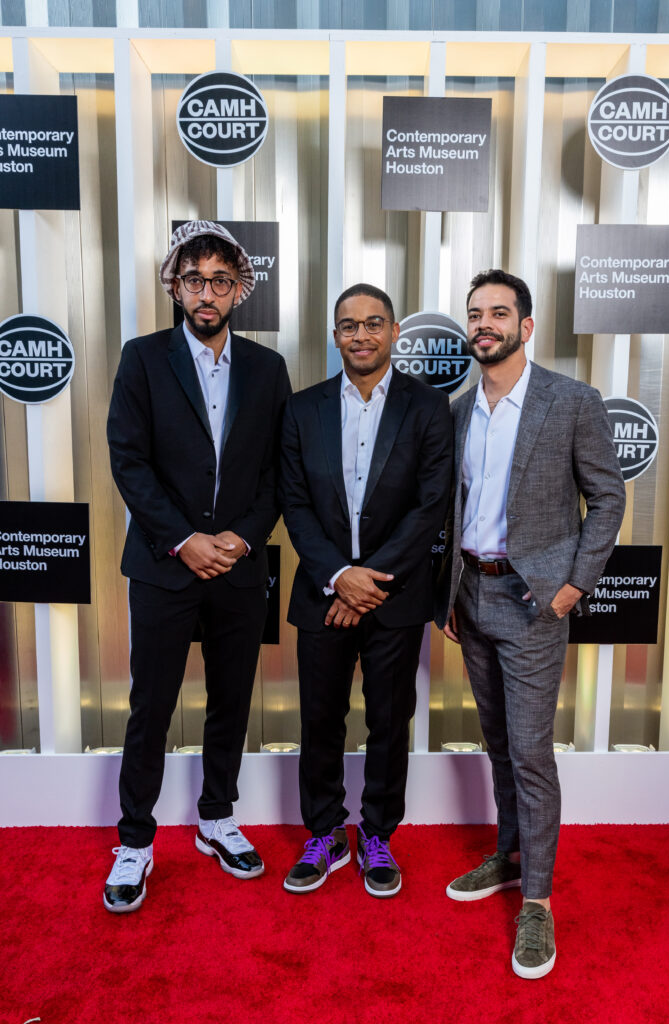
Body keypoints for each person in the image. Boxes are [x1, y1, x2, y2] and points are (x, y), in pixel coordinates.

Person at [437, 269, 625, 976]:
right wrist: (448, 595)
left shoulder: (570, 401)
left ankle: (538, 903)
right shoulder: (458, 410)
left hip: (533, 601)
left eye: (497, 313)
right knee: (498, 745)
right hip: (472, 597)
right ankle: (511, 856)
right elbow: (454, 510)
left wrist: (573, 587)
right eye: (474, 314)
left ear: (526, 326)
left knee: (530, 753)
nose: (483, 324)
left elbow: (607, 498)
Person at [104, 220, 291, 912]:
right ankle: (134, 840)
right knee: (150, 705)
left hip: (238, 566)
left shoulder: (268, 369)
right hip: (163, 565)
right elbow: (129, 460)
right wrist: (184, 538)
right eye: (193, 280)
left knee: (231, 699)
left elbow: (279, 470)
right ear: (175, 288)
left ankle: (217, 818)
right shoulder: (142, 359)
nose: (206, 293)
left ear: (239, 289)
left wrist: (242, 537)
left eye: (219, 281)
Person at [280, 283, 452, 898]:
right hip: (322, 593)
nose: (361, 335)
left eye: (373, 323)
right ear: (335, 336)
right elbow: (294, 504)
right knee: (321, 719)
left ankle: (377, 834)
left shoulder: (428, 407)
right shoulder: (302, 409)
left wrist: (368, 582)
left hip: (394, 597)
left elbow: (431, 505)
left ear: (394, 332)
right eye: (349, 325)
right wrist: (338, 578)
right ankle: (324, 833)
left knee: (388, 721)